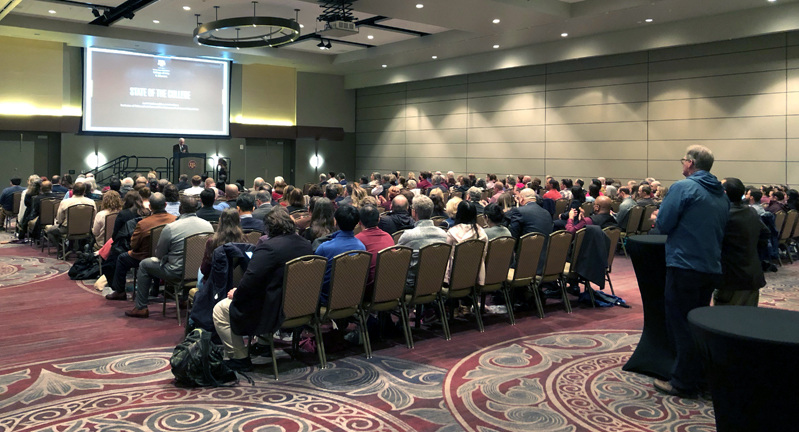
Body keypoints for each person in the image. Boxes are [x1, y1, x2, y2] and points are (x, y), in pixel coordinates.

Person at [653, 145, 729, 398]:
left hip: (684, 263)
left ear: (691, 164)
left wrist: (656, 218)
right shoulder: (721, 193)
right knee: (696, 322)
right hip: (710, 265)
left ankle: (682, 381)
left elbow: (664, 224)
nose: (682, 164)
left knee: (680, 324)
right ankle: (699, 375)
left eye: (684, 160)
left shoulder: (683, 187)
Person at [212, 207, 313, 371]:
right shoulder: (306, 244)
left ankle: (239, 357)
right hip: (300, 304)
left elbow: (250, 281)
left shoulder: (268, 247)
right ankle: (264, 343)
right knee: (268, 290)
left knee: (220, 309)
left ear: (269, 228)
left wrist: (236, 293)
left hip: (274, 309)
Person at [126, 197, 213, 318]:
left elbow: (159, 254)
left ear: (180, 208)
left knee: (144, 264)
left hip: (176, 272)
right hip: (199, 272)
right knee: (189, 261)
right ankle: (184, 299)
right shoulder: (208, 226)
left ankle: (141, 307)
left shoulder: (171, 228)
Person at [105, 193, 177, 301]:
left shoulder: (143, 223)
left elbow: (133, 245)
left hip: (144, 257)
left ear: (150, 207)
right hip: (169, 257)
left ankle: (120, 292)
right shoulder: (175, 220)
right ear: (165, 205)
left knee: (121, 258)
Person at [715, 178, 768, 307]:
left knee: (725, 322)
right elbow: (765, 234)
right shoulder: (751, 212)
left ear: (725, 192)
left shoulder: (723, 215)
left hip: (731, 278)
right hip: (752, 274)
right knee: (748, 321)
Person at [397, 195, 448, 293]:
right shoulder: (443, 234)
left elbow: (400, 264)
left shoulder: (408, 236)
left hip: (412, 286)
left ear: (414, 212)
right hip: (436, 282)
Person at [314, 205, 366, 302]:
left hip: (326, 299)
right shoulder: (361, 247)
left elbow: (313, 275)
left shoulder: (324, 248)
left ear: (335, 222)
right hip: (352, 297)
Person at [355, 204, 395, 296]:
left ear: (359, 222)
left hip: (370, 292)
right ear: (379, 219)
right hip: (393, 288)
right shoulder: (388, 236)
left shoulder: (357, 240)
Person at [445, 201, 488, 285]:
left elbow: (446, 257)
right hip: (475, 277)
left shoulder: (452, 232)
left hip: (453, 279)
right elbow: (483, 255)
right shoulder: (481, 233)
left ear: (458, 213)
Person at [46, 182, 95, 251]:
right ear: (84, 191)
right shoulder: (91, 202)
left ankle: (62, 248)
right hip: (86, 230)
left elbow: (59, 220)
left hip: (67, 229)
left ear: (72, 191)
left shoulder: (65, 202)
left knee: (49, 230)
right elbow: (93, 218)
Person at [200, 208, 246, 278]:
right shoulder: (244, 240)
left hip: (215, 284)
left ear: (220, 221)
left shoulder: (212, 241)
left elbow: (204, 270)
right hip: (238, 284)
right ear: (239, 221)